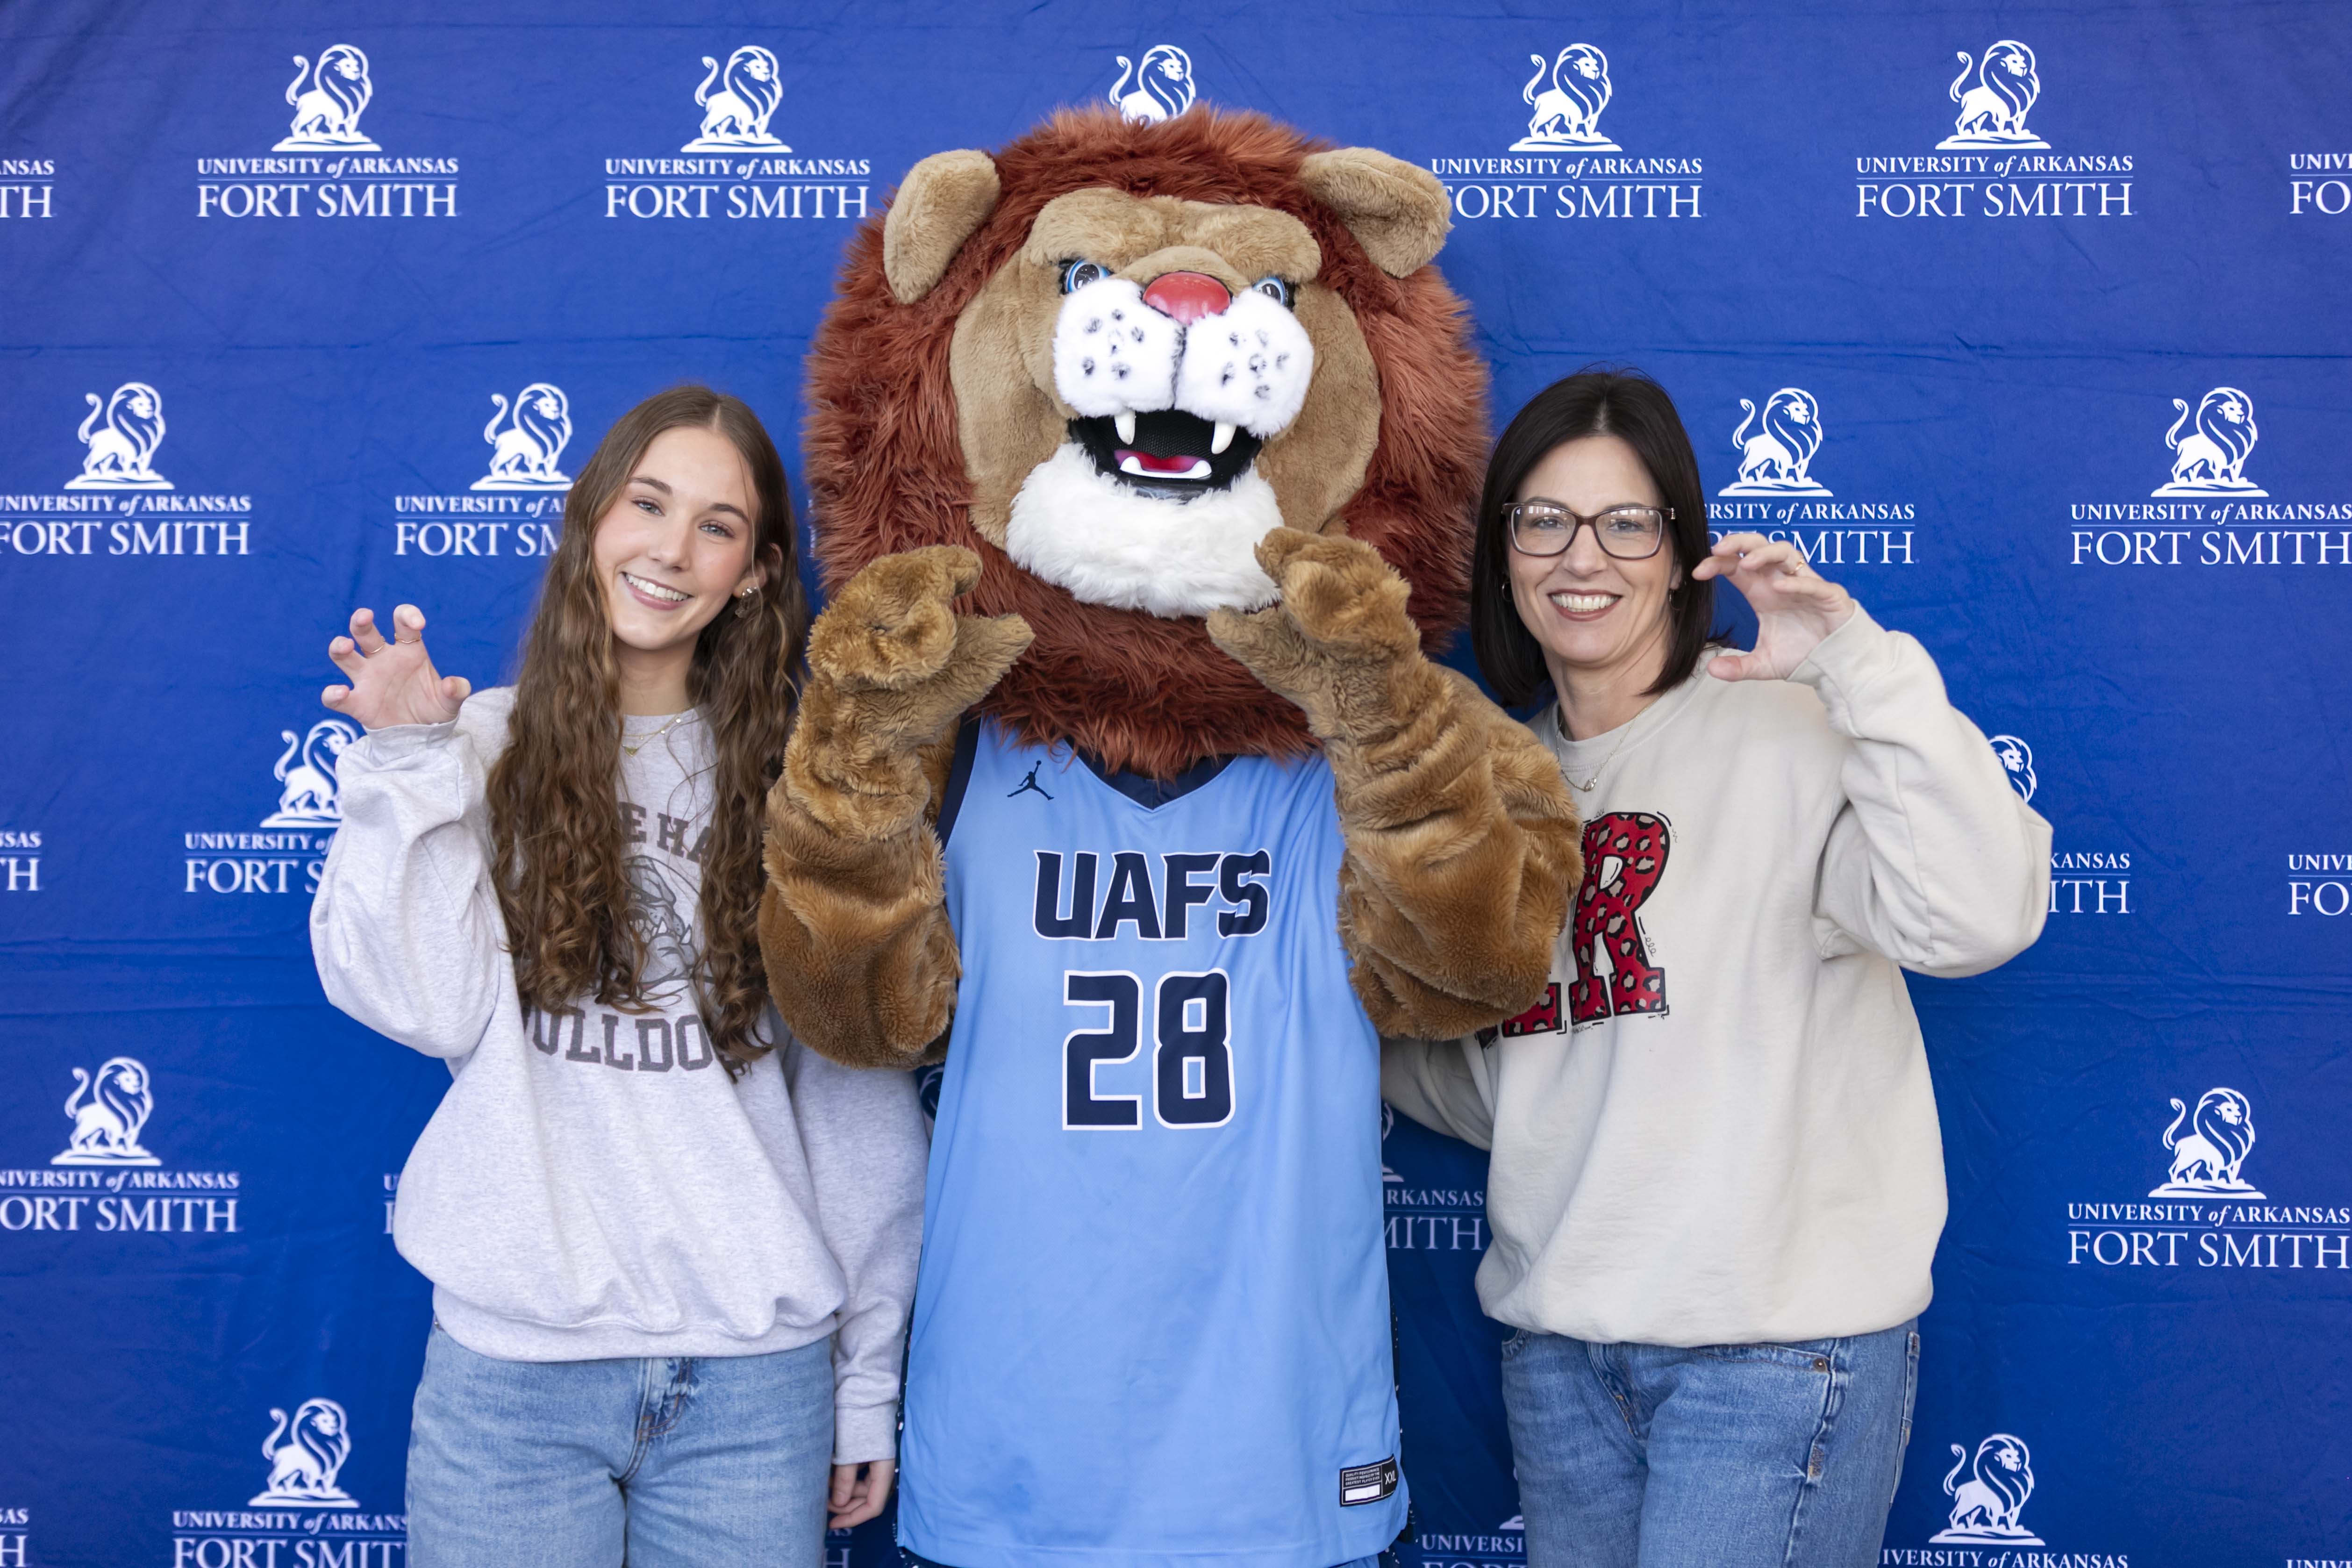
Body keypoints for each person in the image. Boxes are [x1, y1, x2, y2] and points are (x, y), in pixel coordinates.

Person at [1382, 369, 2050, 1568]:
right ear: (1500, 553)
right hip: (1562, 1357)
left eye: (1626, 522)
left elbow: (1978, 916)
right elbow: (1522, 1087)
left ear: (1681, 548)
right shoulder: (1497, 789)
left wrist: (1853, 659)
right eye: (1544, 519)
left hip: (1774, 1357)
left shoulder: (1789, 734)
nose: (1583, 556)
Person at [308, 385, 925, 1567]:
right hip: (516, 1381)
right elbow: (418, 1002)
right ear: (591, 518)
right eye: (648, 503)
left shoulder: (809, 790)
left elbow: (855, 1106)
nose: (671, 548)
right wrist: (403, 766)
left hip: (752, 1390)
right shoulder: (471, 748)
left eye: (717, 524)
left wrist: (866, 1378)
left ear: (752, 572)